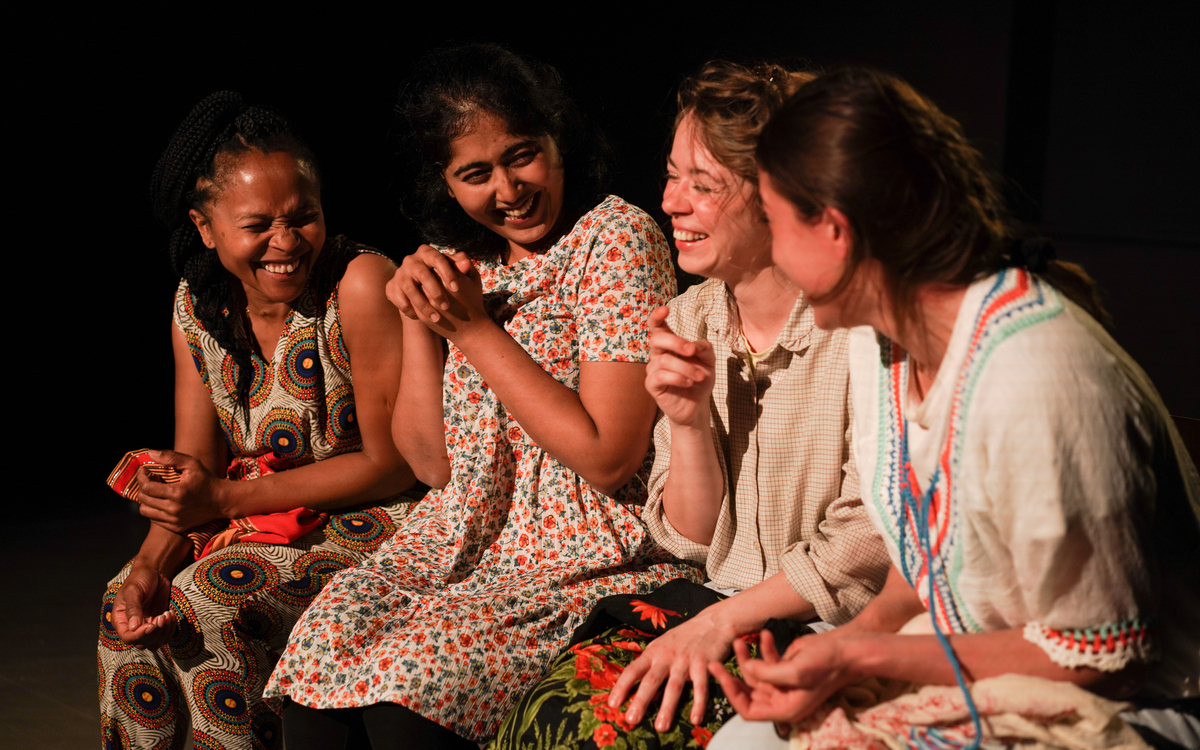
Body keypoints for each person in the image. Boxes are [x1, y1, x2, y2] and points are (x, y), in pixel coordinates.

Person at [707, 66, 1200, 749]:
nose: (775, 250)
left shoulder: (1037, 380)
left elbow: (1103, 660)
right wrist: (835, 653)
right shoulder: (874, 341)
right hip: (966, 655)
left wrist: (858, 657)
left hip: (1130, 705)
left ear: (835, 230)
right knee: (745, 740)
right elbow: (920, 579)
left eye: (774, 217)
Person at [263, 44, 700, 749]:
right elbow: (434, 467)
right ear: (446, 184)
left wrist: (470, 329)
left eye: (522, 154)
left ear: (559, 142)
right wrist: (420, 325)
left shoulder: (614, 239)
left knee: (409, 692)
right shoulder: (471, 261)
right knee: (323, 651)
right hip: (464, 538)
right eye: (475, 173)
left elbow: (609, 456)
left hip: (585, 551)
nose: (508, 188)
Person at [492, 61, 890, 750]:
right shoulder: (690, 316)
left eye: (702, 186)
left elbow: (865, 543)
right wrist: (687, 420)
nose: (672, 202)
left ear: (780, 199)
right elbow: (689, 539)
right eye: (672, 176)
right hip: (716, 605)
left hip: (832, 631)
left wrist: (721, 624)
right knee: (548, 716)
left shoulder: (861, 331)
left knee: (617, 735)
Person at [97, 92, 418, 750]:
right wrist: (146, 566)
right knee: (124, 611)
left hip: (373, 521)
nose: (286, 242)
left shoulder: (359, 284)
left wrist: (226, 499)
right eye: (258, 225)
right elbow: (197, 470)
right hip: (249, 515)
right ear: (206, 227)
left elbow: (392, 465)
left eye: (304, 218)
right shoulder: (196, 306)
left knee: (212, 605)